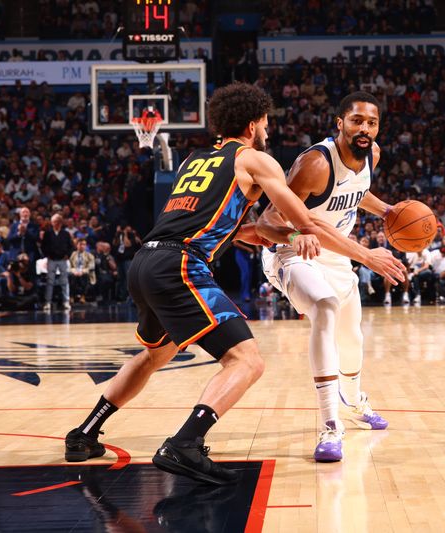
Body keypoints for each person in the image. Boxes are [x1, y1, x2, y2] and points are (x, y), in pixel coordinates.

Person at [63, 83, 404, 485]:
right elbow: (306, 220)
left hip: (146, 260)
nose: (268, 129)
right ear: (252, 123)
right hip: (181, 265)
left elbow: (233, 226)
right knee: (247, 360)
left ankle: (84, 434)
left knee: (155, 356)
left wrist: (282, 236)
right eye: (265, 121)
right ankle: (185, 444)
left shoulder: (195, 159)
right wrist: (368, 256)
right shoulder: (257, 160)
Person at [257, 92, 406, 462]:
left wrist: (387, 210)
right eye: (356, 121)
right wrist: (365, 255)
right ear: (339, 123)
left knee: (352, 337)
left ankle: (354, 401)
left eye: (371, 122)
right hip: (292, 251)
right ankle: (329, 426)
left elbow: (357, 192)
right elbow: (268, 221)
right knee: (325, 307)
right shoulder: (315, 164)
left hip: (336, 254)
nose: (364, 128)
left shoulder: (372, 154)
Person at [41, 213, 74, 311]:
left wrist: (67, 255)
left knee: (64, 281)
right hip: (51, 259)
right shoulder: (48, 233)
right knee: (50, 281)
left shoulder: (65, 233)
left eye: (56, 222)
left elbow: (70, 246)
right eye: (53, 222)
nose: (54, 224)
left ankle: (66, 301)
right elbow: (44, 246)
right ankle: (48, 302)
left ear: (60, 223)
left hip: (62, 260)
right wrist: (47, 255)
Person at [69, 239, 95, 303]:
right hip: (75, 272)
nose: (82, 246)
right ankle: (71, 296)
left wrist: (82, 271)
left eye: (84, 244)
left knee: (85, 276)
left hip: (85, 273)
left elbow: (91, 266)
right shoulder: (73, 254)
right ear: (77, 245)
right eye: (81, 244)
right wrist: (74, 271)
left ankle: (83, 296)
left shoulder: (89, 255)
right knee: (71, 276)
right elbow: (69, 265)